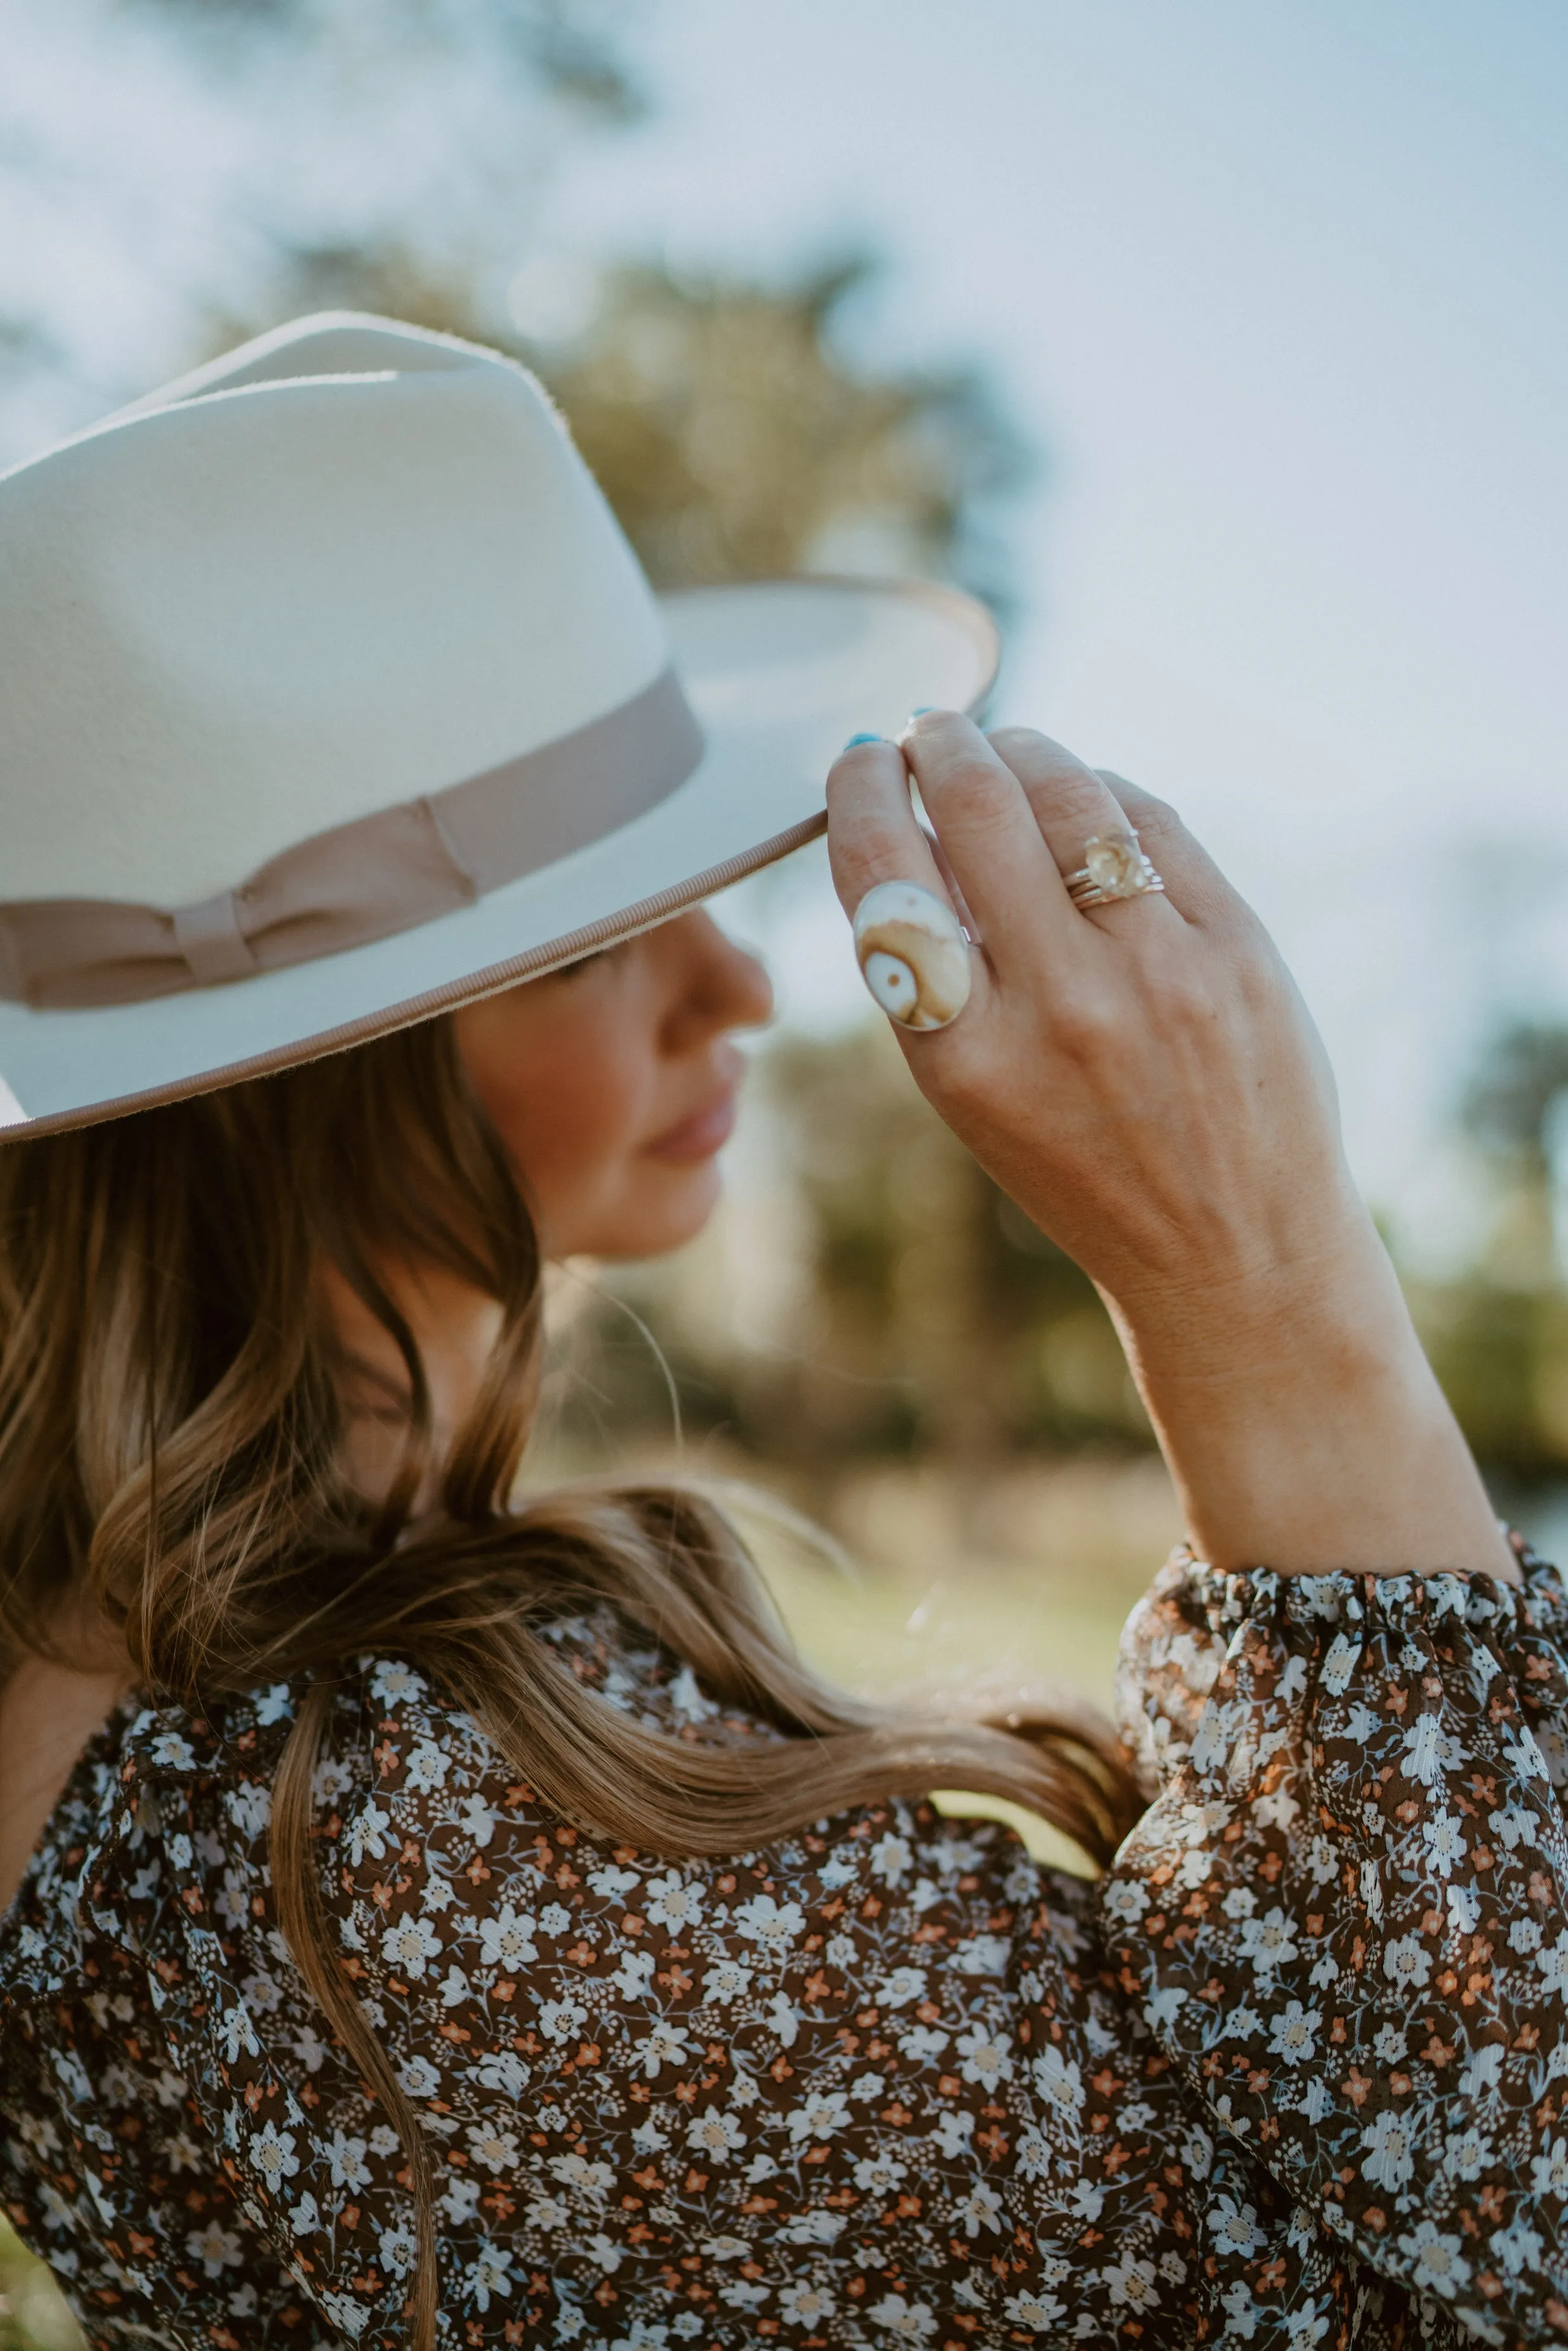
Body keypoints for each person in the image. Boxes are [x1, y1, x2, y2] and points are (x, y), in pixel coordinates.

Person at [0, 314, 1561, 2351]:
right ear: (309, 1064)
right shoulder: (427, 1831)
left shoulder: (139, 1694)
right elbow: (1490, 2254)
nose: (735, 987)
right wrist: (1263, 1293)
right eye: (589, 928)